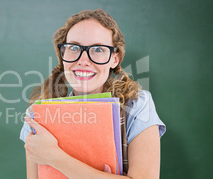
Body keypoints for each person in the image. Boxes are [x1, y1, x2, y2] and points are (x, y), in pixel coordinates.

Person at [19, 9, 166, 178]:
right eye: (74, 47)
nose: (83, 60)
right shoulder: (38, 116)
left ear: (114, 59)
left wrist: (55, 158)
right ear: (62, 54)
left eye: (97, 49)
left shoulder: (137, 105)